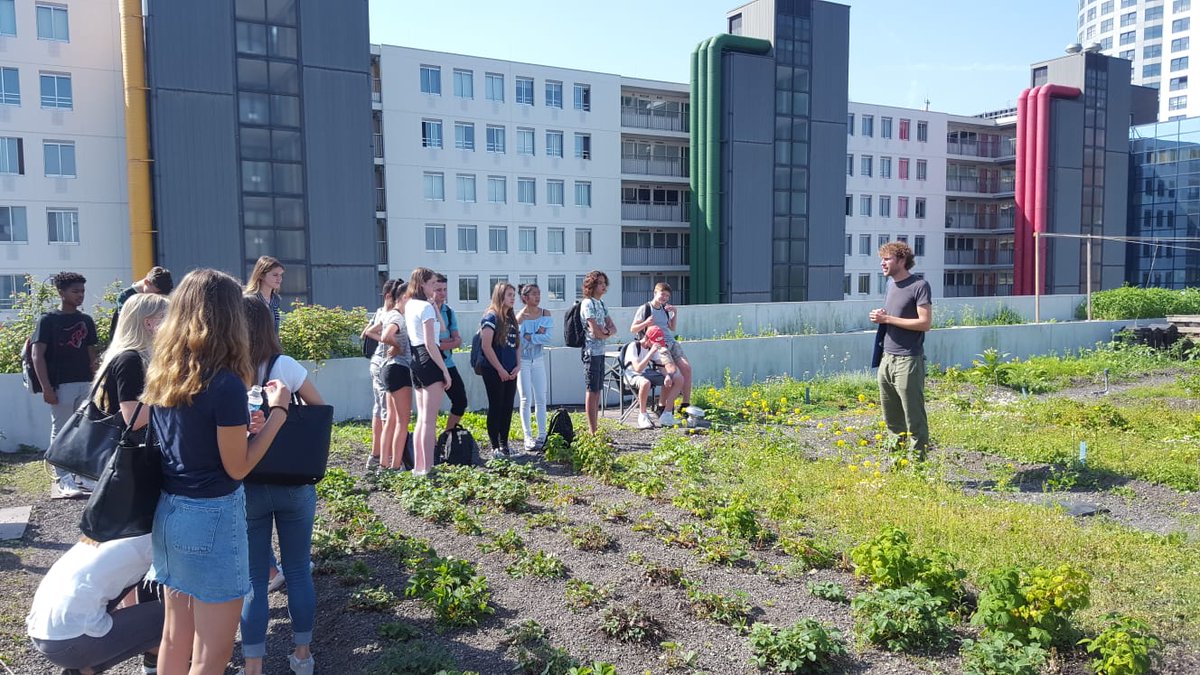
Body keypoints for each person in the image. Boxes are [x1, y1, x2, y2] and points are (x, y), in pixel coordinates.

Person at [140, 268, 291, 675]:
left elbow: (195, 437)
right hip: (211, 517)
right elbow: (237, 467)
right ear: (229, 317)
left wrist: (244, 429)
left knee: (175, 637)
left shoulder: (166, 372)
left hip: (170, 513)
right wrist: (278, 413)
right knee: (212, 653)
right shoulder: (224, 383)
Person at [239, 297, 324, 675]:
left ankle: (253, 665)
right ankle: (303, 656)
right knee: (299, 569)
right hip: (293, 480)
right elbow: (320, 409)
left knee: (255, 578)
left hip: (248, 482)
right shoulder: (284, 365)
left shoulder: (225, 368)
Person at [26, 535, 163, 675]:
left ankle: (84, 671)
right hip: (74, 640)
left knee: (155, 617)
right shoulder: (153, 539)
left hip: (42, 633)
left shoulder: (108, 531)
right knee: (172, 617)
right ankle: (157, 664)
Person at [32, 271, 99, 499]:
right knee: (61, 431)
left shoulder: (86, 320)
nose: (80, 295)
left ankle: (82, 475)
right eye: (75, 291)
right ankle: (63, 477)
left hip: (86, 383)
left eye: (82, 291)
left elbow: (91, 354)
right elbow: (37, 355)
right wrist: (46, 387)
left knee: (84, 429)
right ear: (61, 292)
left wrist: (97, 381)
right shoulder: (48, 320)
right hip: (60, 384)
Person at [869, 241, 933, 459]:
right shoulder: (891, 285)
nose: (882, 263)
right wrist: (882, 316)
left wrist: (887, 319)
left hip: (908, 360)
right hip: (887, 358)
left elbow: (925, 323)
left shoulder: (919, 286)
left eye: (887, 259)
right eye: (882, 259)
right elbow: (896, 316)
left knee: (914, 418)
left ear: (902, 260)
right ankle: (896, 463)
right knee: (892, 419)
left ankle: (918, 466)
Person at [94, 293, 170, 430]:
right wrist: (178, 400)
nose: (173, 324)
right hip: (129, 441)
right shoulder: (130, 360)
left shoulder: (135, 357)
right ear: (148, 323)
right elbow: (134, 419)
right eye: (166, 317)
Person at [404, 268, 452, 476]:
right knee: (429, 420)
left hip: (416, 360)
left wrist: (433, 306)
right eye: (432, 283)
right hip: (429, 359)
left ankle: (419, 467)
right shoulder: (424, 307)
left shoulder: (411, 305)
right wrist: (445, 371)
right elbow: (432, 343)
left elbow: (442, 329)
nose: (435, 287)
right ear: (422, 284)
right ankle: (428, 468)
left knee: (422, 419)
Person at [629, 281, 694, 425]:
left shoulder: (665, 309)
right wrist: (646, 323)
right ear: (655, 293)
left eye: (667, 296)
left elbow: (672, 328)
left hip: (671, 342)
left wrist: (674, 313)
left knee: (687, 369)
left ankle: (685, 405)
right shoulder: (645, 308)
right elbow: (633, 329)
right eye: (662, 294)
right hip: (658, 345)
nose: (664, 298)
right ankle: (663, 406)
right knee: (671, 373)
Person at [479, 282, 521, 457]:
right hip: (493, 370)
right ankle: (495, 446)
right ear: (500, 296)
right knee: (496, 406)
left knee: (507, 407)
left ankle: (504, 444)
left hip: (511, 370)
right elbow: (486, 346)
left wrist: (518, 365)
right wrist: (500, 369)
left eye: (513, 295)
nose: (513, 298)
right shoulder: (491, 317)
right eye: (509, 295)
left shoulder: (511, 318)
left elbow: (517, 344)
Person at [361, 279, 397, 471]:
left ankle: (375, 455)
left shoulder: (379, 312)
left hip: (376, 362)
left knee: (379, 409)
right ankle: (385, 458)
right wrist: (391, 342)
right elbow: (367, 333)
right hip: (384, 363)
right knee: (386, 412)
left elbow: (365, 333)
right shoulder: (390, 314)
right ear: (389, 296)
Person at [379, 282, 412, 470]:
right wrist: (397, 347)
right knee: (402, 420)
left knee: (391, 419)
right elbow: (386, 335)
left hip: (389, 370)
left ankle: (384, 464)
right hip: (399, 369)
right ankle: (396, 465)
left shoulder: (391, 314)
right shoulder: (398, 317)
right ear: (404, 297)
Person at [622, 326, 682, 430]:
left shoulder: (652, 347)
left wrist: (667, 376)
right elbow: (638, 368)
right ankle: (643, 415)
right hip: (632, 374)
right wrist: (651, 352)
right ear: (648, 339)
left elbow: (660, 365)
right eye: (654, 342)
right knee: (645, 383)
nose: (657, 346)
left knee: (678, 378)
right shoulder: (633, 346)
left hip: (647, 373)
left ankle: (666, 414)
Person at [515, 283, 551, 451]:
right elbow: (518, 341)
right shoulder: (519, 317)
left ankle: (542, 435)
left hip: (538, 359)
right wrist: (537, 335)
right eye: (534, 294)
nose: (537, 297)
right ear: (525, 297)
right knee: (525, 398)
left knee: (541, 398)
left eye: (539, 293)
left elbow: (548, 337)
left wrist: (531, 337)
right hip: (522, 361)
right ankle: (527, 436)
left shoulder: (545, 313)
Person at [580, 270, 616, 434]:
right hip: (591, 352)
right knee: (592, 390)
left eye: (604, 283)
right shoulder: (588, 304)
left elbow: (613, 327)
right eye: (600, 283)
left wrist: (606, 331)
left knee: (598, 390)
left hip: (600, 352)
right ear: (592, 285)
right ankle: (592, 431)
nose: (603, 286)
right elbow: (594, 332)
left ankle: (595, 429)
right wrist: (605, 332)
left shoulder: (601, 304)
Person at [433, 274, 468, 432]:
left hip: (448, 363)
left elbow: (458, 340)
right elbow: (431, 345)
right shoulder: (426, 311)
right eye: (438, 290)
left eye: (445, 289)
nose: (443, 293)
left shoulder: (448, 311)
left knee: (461, 401)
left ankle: (447, 435)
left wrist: (443, 343)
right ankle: (429, 441)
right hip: (431, 366)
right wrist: (445, 342)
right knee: (431, 408)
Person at [110, 266, 173, 336]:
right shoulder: (125, 297)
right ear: (146, 282)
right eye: (157, 293)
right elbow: (126, 323)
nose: (159, 298)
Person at [245, 256, 285, 333]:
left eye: (281, 275)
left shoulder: (276, 299)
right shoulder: (249, 300)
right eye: (275, 275)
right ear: (261, 275)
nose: (279, 279)